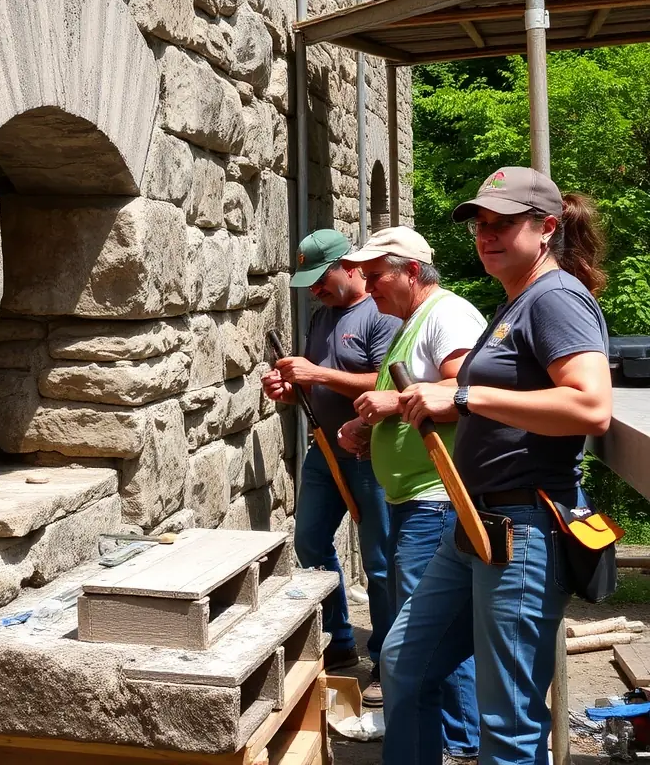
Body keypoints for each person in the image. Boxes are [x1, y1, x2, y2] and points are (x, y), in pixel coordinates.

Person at [380, 167, 613, 765]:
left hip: (524, 529)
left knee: (507, 721)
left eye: (505, 223)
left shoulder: (557, 298)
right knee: (405, 662)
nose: (488, 235)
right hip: (475, 527)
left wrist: (462, 396)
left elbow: (591, 406)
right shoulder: (516, 303)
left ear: (547, 228)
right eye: (481, 225)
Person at [336, 227, 485, 762]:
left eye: (376, 277)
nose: (368, 287)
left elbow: (462, 392)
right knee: (426, 632)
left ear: (412, 272)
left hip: (436, 500)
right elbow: (408, 399)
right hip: (412, 498)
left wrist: (391, 407)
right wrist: (367, 430)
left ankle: (460, 742)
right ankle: (451, 737)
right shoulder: (407, 324)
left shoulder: (447, 315)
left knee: (432, 633)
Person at [262, 228, 399, 703]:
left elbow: (383, 383)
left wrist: (316, 373)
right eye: (310, 282)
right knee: (311, 542)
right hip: (323, 449)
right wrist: (288, 387)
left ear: (351, 267)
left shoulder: (382, 315)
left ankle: (385, 659)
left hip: (372, 453)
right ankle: (340, 643)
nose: (316, 289)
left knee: (382, 563)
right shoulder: (322, 317)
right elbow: (312, 380)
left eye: (322, 278)